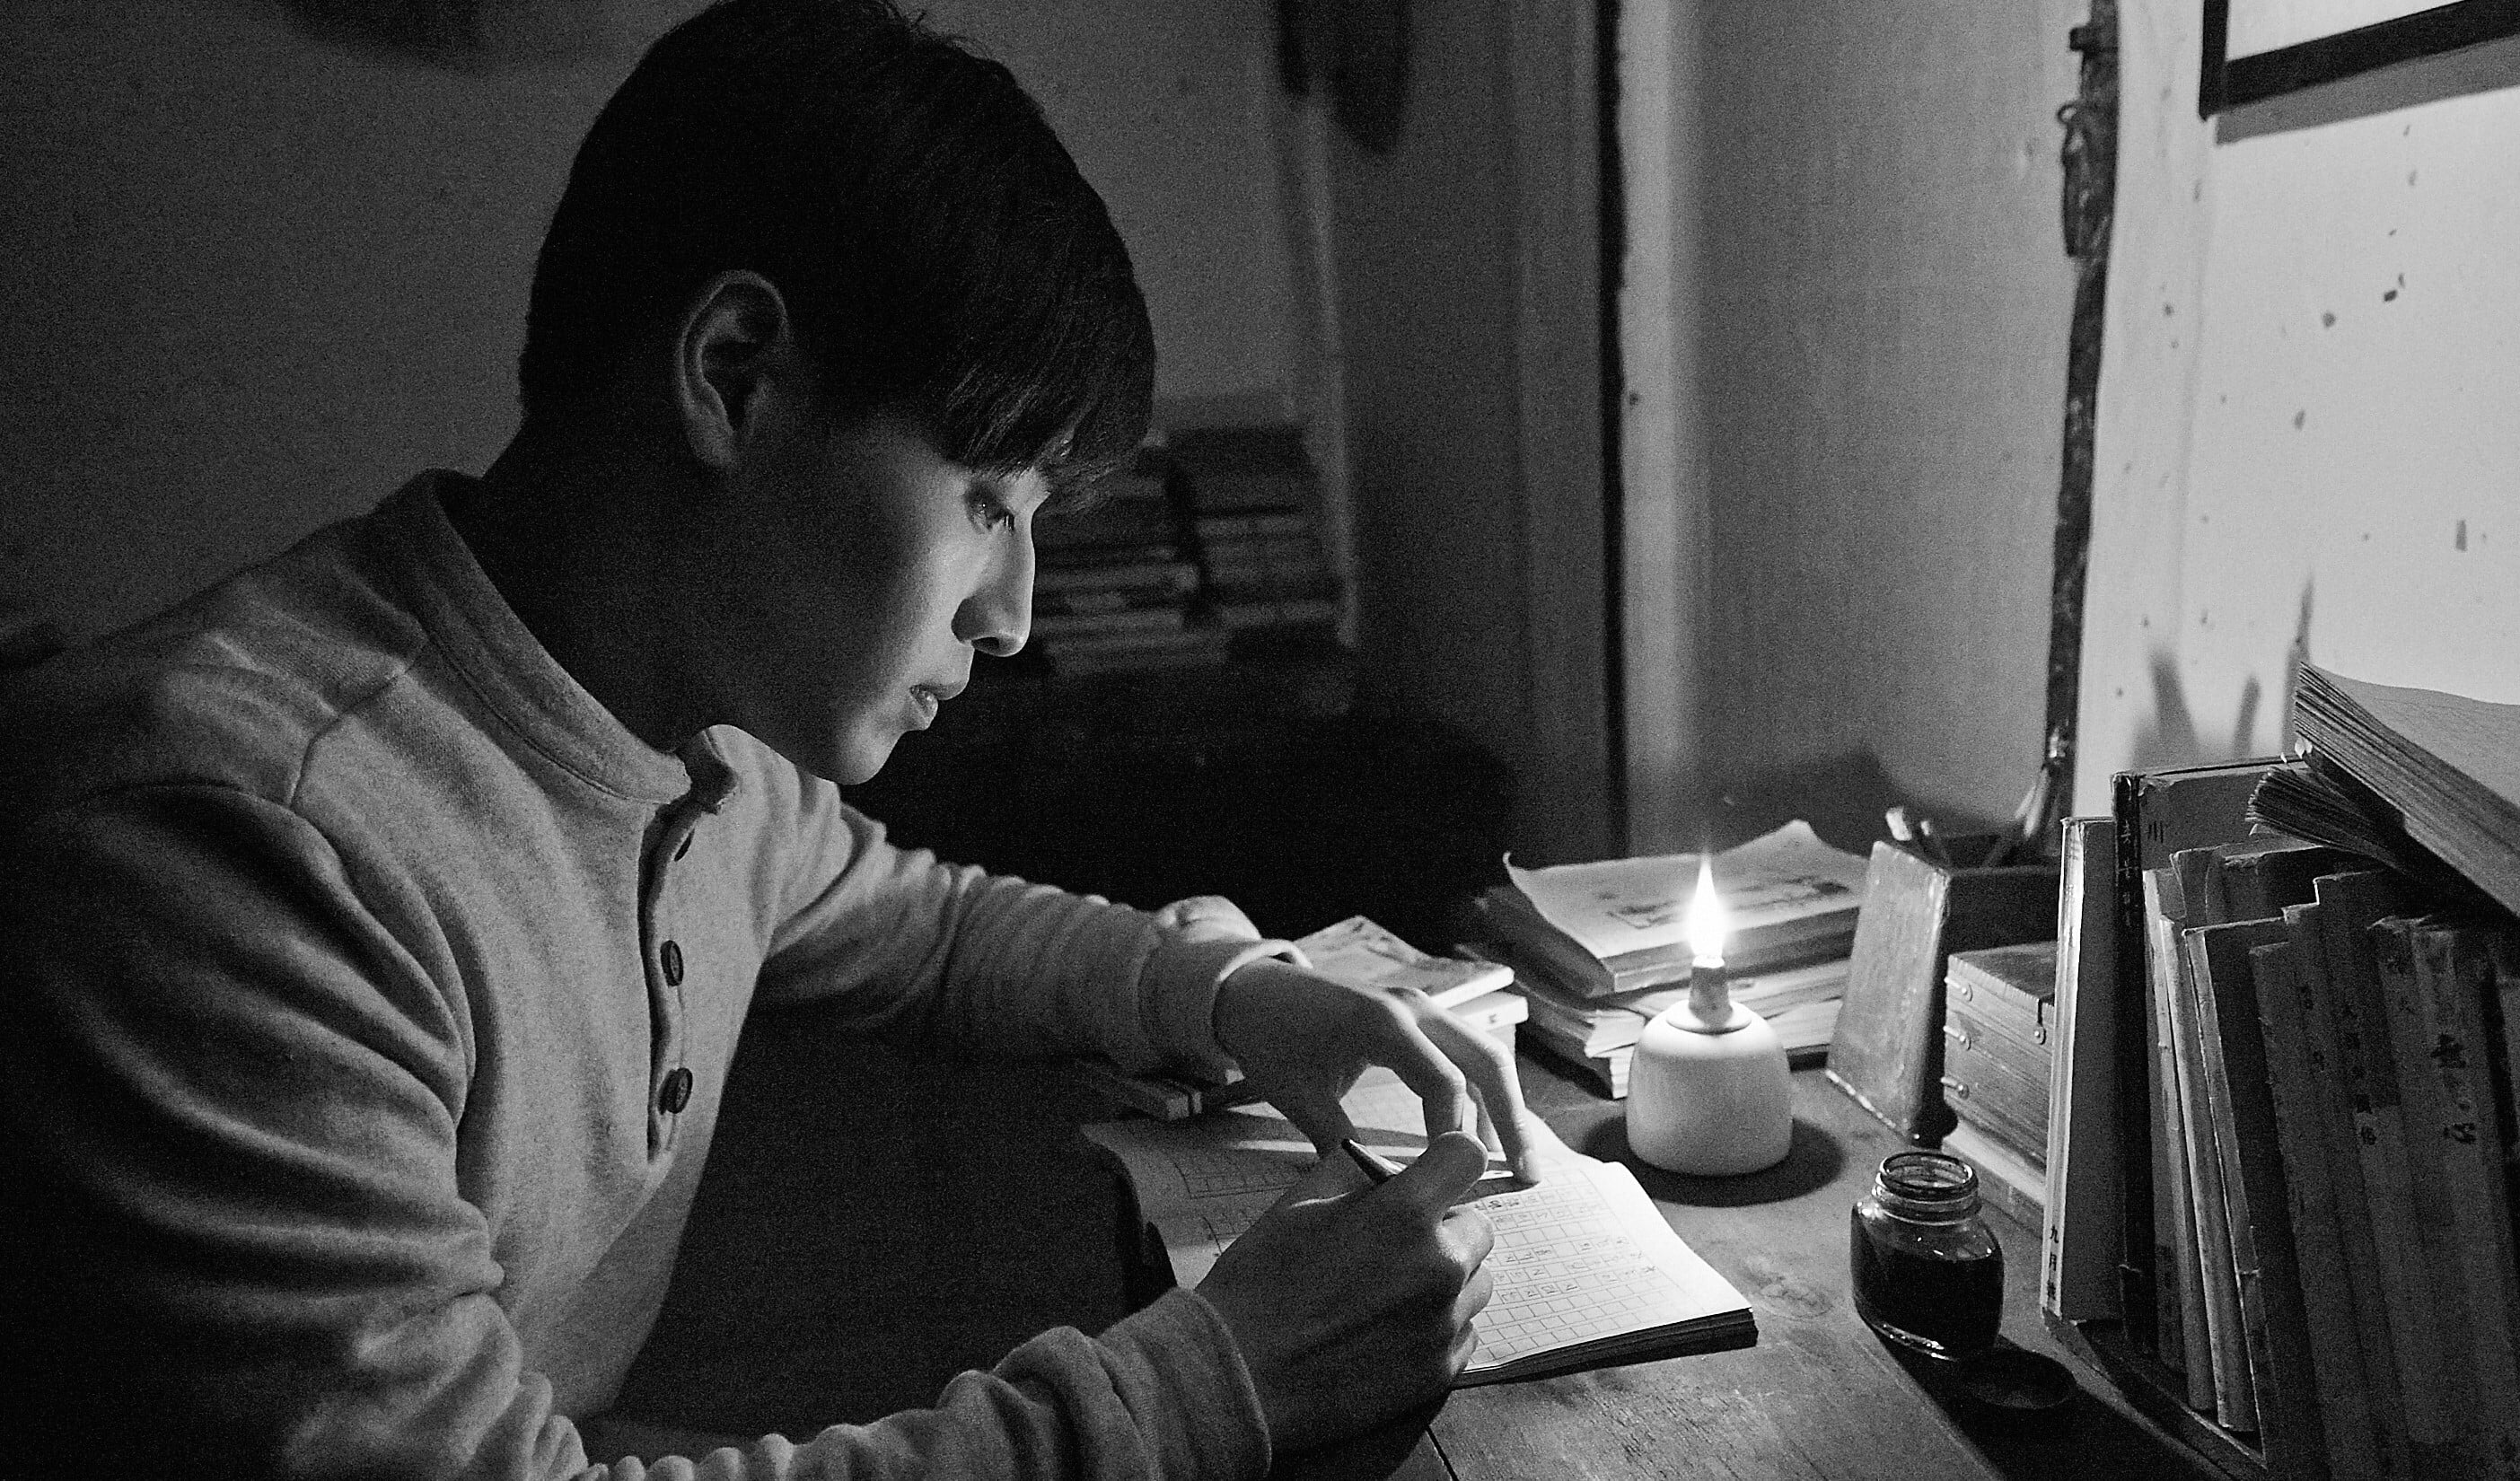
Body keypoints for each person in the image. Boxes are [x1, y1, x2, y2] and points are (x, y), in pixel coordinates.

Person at [0, 2, 1551, 1476]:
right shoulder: (239, 854)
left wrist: (1227, 993)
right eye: (985, 499)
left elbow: (922, 927)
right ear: (735, 375)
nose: (1013, 613)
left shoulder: (697, 739)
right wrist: (1216, 1380)